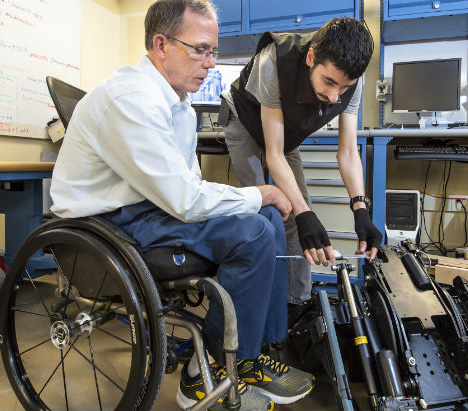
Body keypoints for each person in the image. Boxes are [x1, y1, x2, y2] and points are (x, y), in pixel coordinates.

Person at [49, 0, 314, 410]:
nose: (210, 63)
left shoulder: (179, 106)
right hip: (106, 224)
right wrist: (259, 192)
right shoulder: (131, 98)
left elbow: (185, 190)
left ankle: (250, 354)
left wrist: (255, 200)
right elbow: (185, 199)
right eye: (200, 49)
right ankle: (204, 370)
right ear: (161, 44)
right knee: (257, 225)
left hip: (146, 210)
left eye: (213, 51)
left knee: (264, 219)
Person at [221, 18, 383, 321]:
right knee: (266, 215)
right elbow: (273, 154)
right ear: (311, 58)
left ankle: (295, 304)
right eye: (329, 83)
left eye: (344, 87)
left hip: (284, 131)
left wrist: (360, 209)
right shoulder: (274, 61)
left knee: (298, 213)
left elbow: (348, 151)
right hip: (244, 119)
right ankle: (258, 309)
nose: (336, 96)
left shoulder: (352, 80)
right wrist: (304, 212)